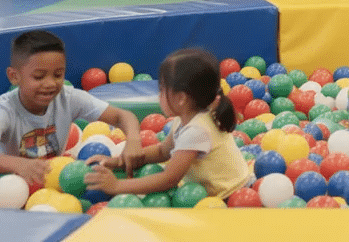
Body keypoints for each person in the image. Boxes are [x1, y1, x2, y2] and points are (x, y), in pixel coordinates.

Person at [0, 30, 142, 184]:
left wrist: (133, 141)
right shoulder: (3, 109)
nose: (50, 83)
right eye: (39, 77)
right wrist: (20, 165)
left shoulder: (69, 98)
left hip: (47, 182)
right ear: (14, 76)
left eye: (58, 75)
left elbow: (123, 116)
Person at [84, 48, 251, 200]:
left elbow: (169, 179)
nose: (159, 95)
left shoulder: (197, 130)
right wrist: (120, 161)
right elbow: (162, 151)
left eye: (162, 89)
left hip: (231, 197)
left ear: (181, 98)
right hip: (211, 195)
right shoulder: (188, 116)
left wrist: (117, 186)